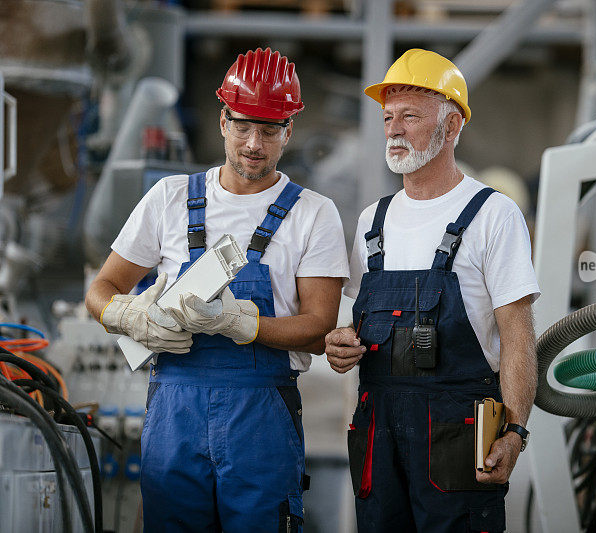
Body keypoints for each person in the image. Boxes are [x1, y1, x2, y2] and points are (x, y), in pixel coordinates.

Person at [85, 47, 349, 531]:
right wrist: (126, 315)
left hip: (261, 420)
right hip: (174, 414)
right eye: (243, 125)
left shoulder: (313, 213)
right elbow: (101, 288)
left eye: (269, 130)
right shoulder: (170, 198)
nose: (254, 143)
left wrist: (241, 323)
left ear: (289, 131)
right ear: (223, 119)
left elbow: (318, 327)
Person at [324, 48, 540, 533]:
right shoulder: (370, 222)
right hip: (378, 434)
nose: (394, 130)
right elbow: (354, 325)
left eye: (410, 116)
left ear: (453, 126)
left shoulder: (492, 215)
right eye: (388, 117)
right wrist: (338, 345)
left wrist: (515, 431)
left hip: (457, 439)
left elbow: (518, 335)